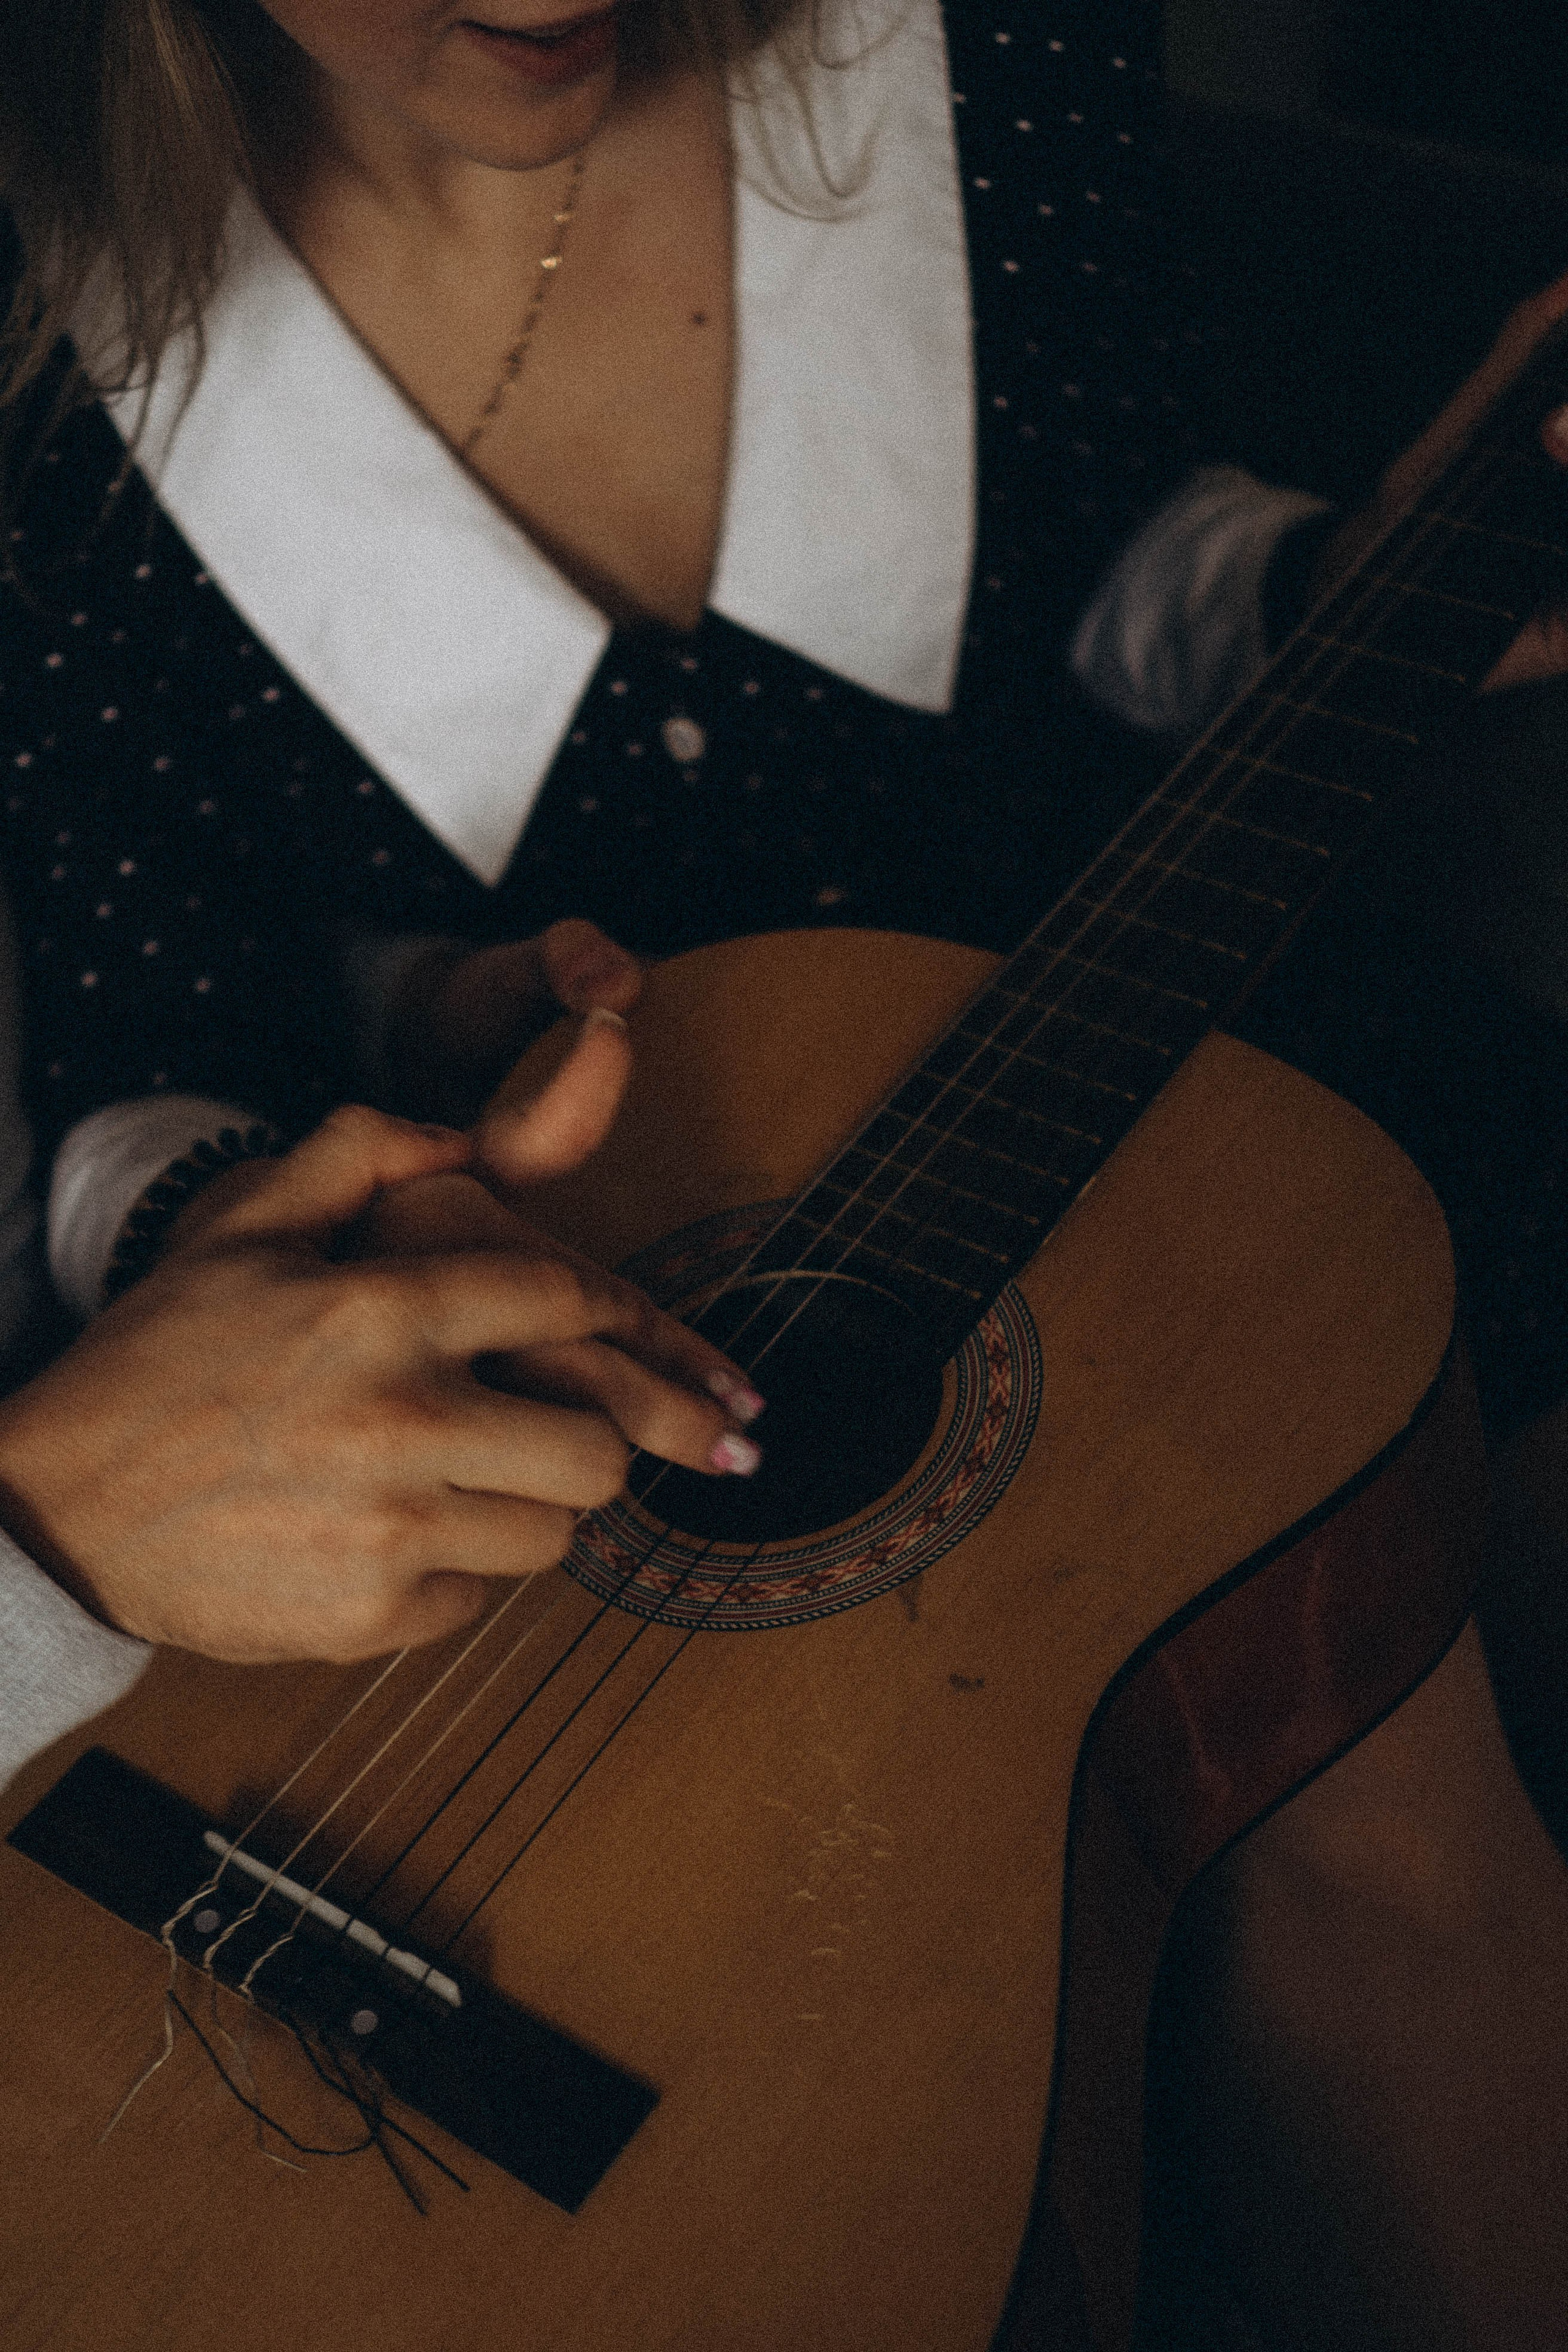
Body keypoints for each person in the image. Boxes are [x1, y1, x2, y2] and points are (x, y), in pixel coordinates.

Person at [0, 2, 1566, 2345]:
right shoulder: (49, 340)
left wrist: (1337, 583)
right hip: (578, 1297)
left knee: (1385, 1773)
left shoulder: (985, 51)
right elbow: (134, 1031)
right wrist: (278, 1210)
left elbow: (1113, 552)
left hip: (1179, 1119)